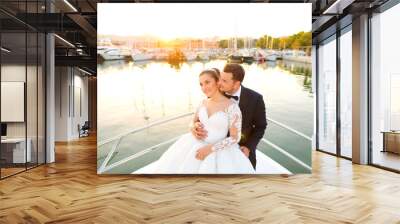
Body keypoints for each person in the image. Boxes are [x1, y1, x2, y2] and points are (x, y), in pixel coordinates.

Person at [152, 68, 255, 174]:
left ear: (217, 81)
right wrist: (193, 127)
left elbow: (235, 137)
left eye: (207, 82)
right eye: (201, 84)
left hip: (219, 150)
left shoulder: (232, 107)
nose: (204, 87)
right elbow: (192, 122)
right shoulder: (203, 103)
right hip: (194, 144)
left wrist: (210, 149)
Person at [192, 63, 267, 169]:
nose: (219, 83)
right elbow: (199, 118)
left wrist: (249, 147)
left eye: (224, 81)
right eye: (220, 78)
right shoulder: (215, 92)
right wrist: (194, 126)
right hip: (204, 144)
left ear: (236, 84)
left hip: (239, 148)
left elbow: (260, 127)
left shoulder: (255, 99)